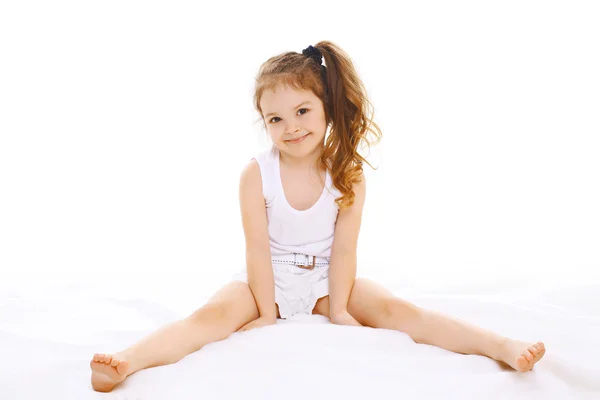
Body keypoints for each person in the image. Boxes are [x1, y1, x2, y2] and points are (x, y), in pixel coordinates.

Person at [90, 41, 545, 392]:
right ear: (263, 122)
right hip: (266, 276)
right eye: (275, 119)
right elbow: (256, 249)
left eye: (302, 111)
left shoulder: (347, 174)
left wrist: (342, 307)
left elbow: (345, 248)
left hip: (329, 277)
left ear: (327, 108)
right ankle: (127, 362)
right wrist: (266, 312)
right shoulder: (256, 175)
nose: (291, 128)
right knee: (210, 315)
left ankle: (498, 346)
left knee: (395, 309)